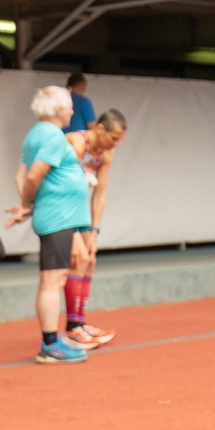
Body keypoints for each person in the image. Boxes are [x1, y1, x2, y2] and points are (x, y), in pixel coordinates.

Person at [6, 85, 91, 364]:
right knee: (52, 281)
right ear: (58, 109)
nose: (72, 111)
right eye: (69, 106)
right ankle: (51, 344)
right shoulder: (53, 136)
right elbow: (33, 176)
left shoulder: (35, 134)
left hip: (58, 215)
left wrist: (27, 205)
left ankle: (54, 339)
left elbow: (22, 176)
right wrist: (26, 204)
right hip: (59, 217)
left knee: (54, 278)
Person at [62, 109, 127, 348]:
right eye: (114, 138)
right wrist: (72, 230)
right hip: (61, 206)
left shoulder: (106, 153)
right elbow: (64, 185)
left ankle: (80, 322)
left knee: (89, 259)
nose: (116, 144)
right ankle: (72, 328)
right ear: (100, 129)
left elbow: (100, 192)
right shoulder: (78, 143)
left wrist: (94, 231)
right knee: (78, 258)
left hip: (78, 208)